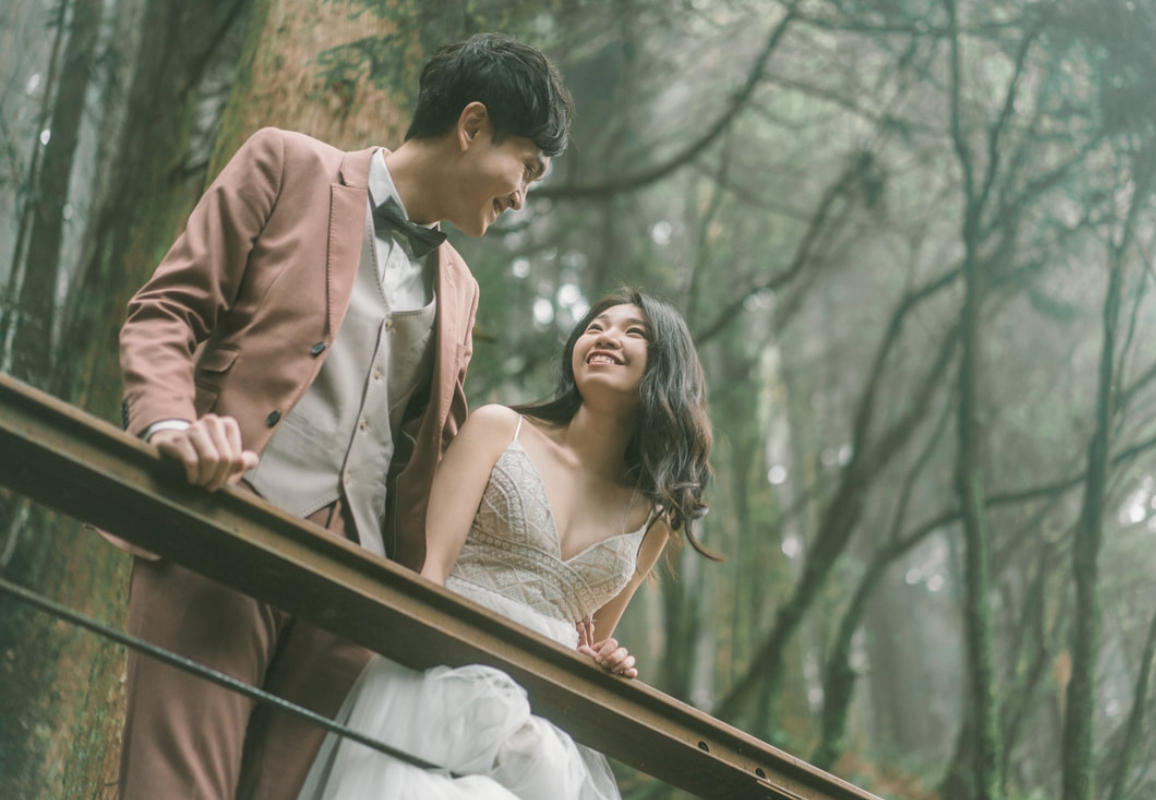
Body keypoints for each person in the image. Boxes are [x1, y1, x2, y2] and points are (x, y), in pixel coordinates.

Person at [112, 34, 572, 800]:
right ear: (472, 124)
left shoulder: (461, 286)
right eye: (525, 165)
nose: (522, 193)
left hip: (352, 599)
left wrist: (561, 617)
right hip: (224, 528)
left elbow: (440, 462)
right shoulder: (285, 164)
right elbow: (166, 314)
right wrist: (169, 429)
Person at [297, 289, 719, 800]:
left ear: (665, 369)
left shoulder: (654, 517)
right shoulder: (499, 429)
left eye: (635, 333)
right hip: (439, 675)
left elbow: (590, 641)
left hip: (543, 724)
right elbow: (432, 572)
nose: (607, 336)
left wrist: (608, 662)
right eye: (596, 326)